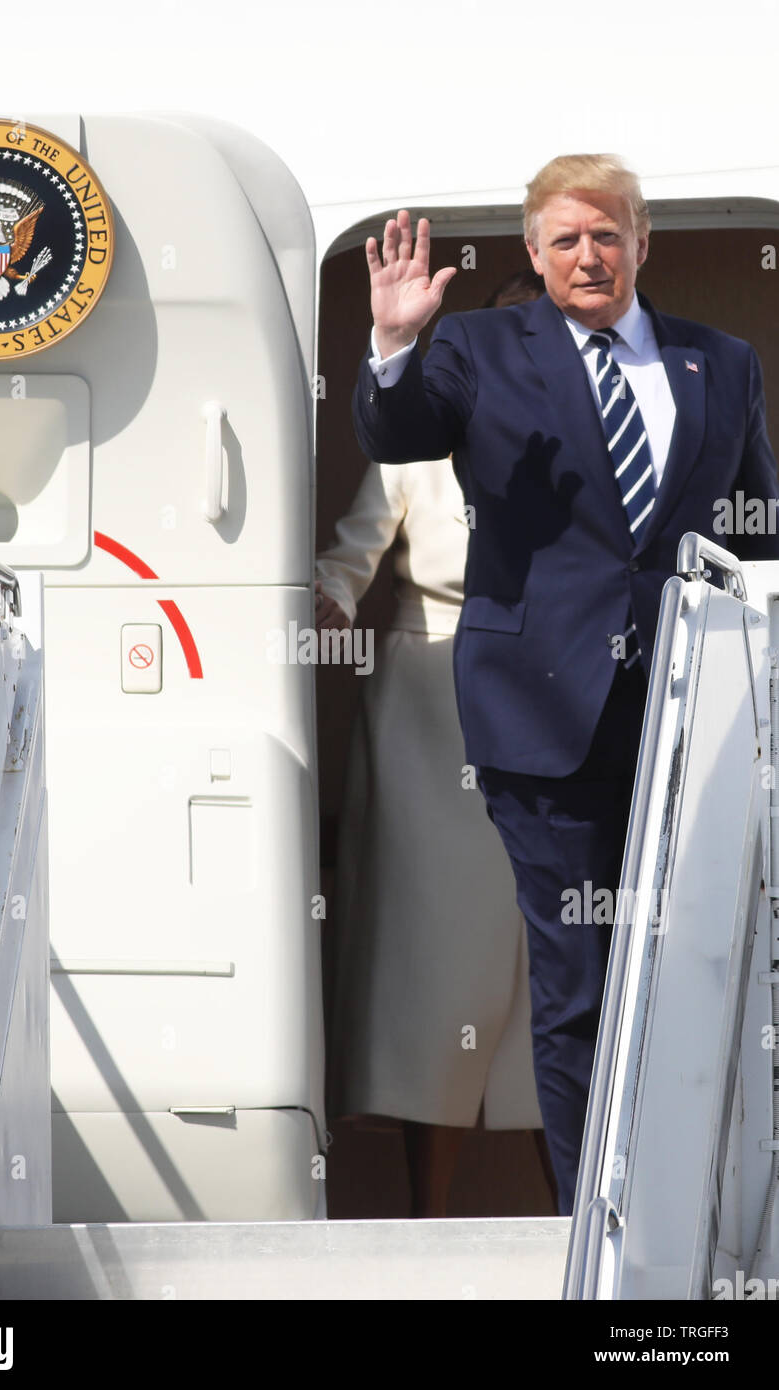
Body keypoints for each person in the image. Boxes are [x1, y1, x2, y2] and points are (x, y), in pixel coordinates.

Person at [351, 153, 779, 1214]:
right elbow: (398, 433)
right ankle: (599, 1218)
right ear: (533, 256)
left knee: (698, 962)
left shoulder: (716, 362)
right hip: (541, 716)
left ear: (641, 243)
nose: (587, 256)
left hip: (693, 719)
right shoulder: (478, 348)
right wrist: (395, 343)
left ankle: (693, 1208)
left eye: (606, 235)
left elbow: (756, 523)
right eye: (563, 240)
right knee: (577, 973)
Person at [316, 270, 548, 1218]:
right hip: (429, 708)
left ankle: (581, 1219)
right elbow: (351, 552)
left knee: (554, 960)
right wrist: (326, 595)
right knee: (439, 962)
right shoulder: (419, 441)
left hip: (546, 701)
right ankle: (428, 1221)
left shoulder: (580, 444)